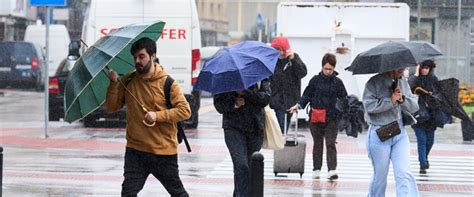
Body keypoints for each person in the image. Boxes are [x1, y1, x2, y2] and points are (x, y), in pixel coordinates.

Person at [106, 37, 191, 197]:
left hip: (163, 152)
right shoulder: (129, 80)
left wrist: (157, 115)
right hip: (135, 151)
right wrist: (113, 84)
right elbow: (112, 107)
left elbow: (185, 111)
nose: (137, 61)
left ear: (153, 56)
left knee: (178, 193)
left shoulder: (168, 83)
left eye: (142, 56)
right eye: (135, 57)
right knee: (128, 193)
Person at [289, 53, 347, 180]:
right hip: (316, 117)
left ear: (334, 69)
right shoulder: (315, 80)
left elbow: (344, 99)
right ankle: (316, 169)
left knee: (330, 143)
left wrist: (339, 110)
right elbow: (306, 96)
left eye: (330, 69)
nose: (328, 71)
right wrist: (298, 106)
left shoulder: (338, 82)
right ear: (322, 67)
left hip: (332, 117)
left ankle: (332, 169)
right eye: (326, 68)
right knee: (318, 143)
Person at [363, 67, 419, 196]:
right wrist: (391, 100)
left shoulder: (403, 82)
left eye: (404, 66)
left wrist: (403, 100)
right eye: (399, 66)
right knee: (380, 177)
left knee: (403, 173)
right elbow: (369, 106)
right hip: (380, 134)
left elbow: (414, 106)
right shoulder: (374, 82)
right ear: (390, 65)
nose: (403, 69)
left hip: (399, 133)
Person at [213, 80, 271, 197]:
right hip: (233, 129)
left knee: (249, 168)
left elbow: (265, 98)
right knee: (241, 165)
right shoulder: (226, 78)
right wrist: (234, 102)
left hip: (255, 128)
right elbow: (219, 105)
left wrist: (246, 93)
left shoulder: (259, 75)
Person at [269, 36, 307, 133]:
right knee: (281, 126)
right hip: (277, 100)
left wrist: (293, 60)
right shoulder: (272, 61)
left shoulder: (294, 58)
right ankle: (280, 144)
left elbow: (303, 73)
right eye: (278, 50)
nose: (281, 53)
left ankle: (281, 144)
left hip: (291, 100)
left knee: (285, 124)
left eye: (283, 50)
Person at [409, 60, 440, 174]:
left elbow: (439, 94)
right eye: (423, 67)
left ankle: (424, 158)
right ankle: (423, 163)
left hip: (431, 115)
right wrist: (416, 74)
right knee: (421, 140)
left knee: (430, 141)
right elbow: (409, 86)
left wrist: (432, 98)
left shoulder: (434, 79)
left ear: (430, 68)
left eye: (427, 68)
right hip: (418, 115)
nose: (424, 70)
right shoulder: (414, 78)